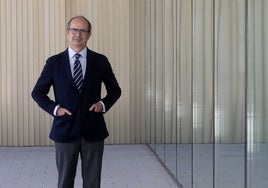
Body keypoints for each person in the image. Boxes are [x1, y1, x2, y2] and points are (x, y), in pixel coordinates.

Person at [31, 16, 121, 188]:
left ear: (89, 35)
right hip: (65, 130)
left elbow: (115, 90)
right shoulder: (54, 62)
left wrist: (102, 105)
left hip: (93, 129)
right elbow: (37, 92)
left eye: (82, 31)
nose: (77, 34)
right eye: (74, 30)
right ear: (67, 33)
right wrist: (55, 109)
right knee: (65, 181)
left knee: (92, 181)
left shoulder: (100, 61)